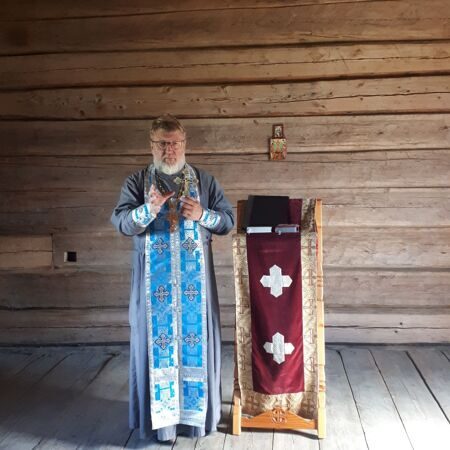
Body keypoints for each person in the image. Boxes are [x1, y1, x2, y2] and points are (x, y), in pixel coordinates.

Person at [111, 114, 234, 442]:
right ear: (152, 145)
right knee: (153, 348)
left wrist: (203, 215)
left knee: (197, 346)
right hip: (154, 288)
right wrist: (148, 209)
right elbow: (122, 223)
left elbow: (227, 221)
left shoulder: (204, 181)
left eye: (175, 143)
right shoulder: (138, 182)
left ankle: (195, 421)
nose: (169, 150)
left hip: (195, 289)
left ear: (185, 144)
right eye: (163, 144)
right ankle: (160, 425)